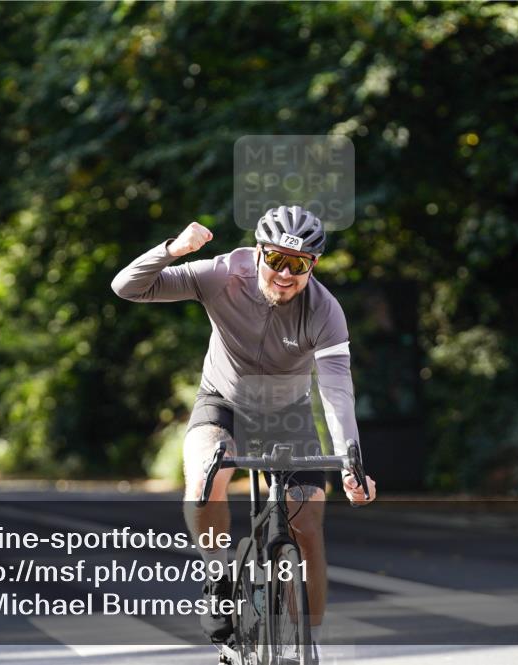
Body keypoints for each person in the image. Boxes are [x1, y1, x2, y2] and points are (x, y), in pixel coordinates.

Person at [112, 205, 378, 649]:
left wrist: (351, 460)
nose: (286, 274)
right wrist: (173, 250)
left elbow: (336, 391)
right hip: (223, 399)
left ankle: (306, 643)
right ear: (258, 254)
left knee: (309, 529)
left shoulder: (325, 312)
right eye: (277, 260)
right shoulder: (220, 274)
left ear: (312, 266)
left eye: (299, 265)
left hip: (287, 413)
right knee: (204, 478)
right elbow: (127, 287)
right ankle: (218, 578)